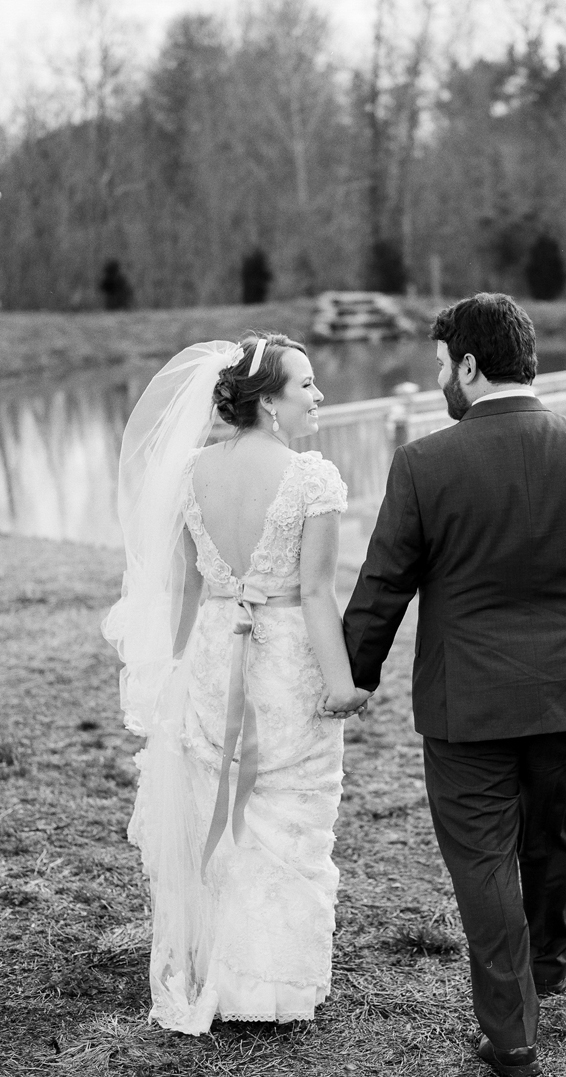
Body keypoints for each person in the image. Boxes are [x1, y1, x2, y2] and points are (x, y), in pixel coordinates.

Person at [336, 294, 566, 1077]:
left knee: (484, 861)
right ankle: (550, 963)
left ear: (469, 365)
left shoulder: (424, 464)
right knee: (552, 827)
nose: (439, 378)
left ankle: (512, 1036)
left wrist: (352, 676)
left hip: (468, 706)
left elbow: (382, 587)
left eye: (441, 364)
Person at [103, 333, 368, 1035]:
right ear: (271, 403)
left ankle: (222, 972)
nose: (319, 396)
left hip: (215, 654)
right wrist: (341, 684)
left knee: (220, 813)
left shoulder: (192, 472)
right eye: (306, 384)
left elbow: (188, 588)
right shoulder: (313, 479)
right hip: (282, 659)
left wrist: (177, 672)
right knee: (288, 815)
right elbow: (316, 596)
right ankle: (271, 985)